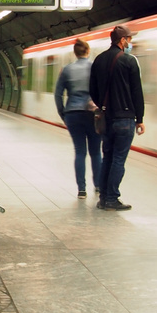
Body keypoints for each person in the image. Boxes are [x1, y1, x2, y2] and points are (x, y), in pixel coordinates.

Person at [89, 25, 145, 211]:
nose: (130, 43)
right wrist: (140, 118)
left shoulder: (99, 60)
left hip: (107, 118)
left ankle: (104, 197)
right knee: (119, 159)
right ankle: (112, 198)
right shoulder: (129, 61)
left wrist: (104, 107)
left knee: (108, 157)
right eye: (129, 39)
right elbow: (137, 92)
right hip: (125, 118)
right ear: (122, 41)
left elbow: (93, 90)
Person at [54, 39, 101, 198]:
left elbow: (58, 94)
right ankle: (99, 186)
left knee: (80, 151)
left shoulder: (67, 70)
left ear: (75, 53)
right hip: (92, 114)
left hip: (73, 114)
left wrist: (63, 113)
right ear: (87, 51)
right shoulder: (95, 67)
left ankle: (81, 189)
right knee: (95, 152)